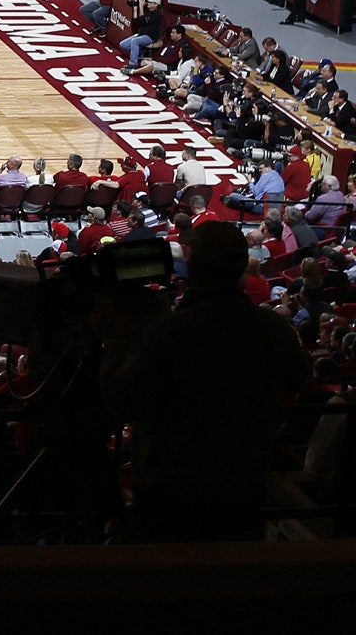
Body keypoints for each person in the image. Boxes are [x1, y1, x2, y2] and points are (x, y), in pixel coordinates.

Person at [106, 220, 308, 541]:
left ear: (192, 264)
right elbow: (298, 382)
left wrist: (117, 339)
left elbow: (121, 400)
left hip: (170, 493)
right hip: (244, 488)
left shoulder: (167, 332)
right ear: (243, 265)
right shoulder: (275, 330)